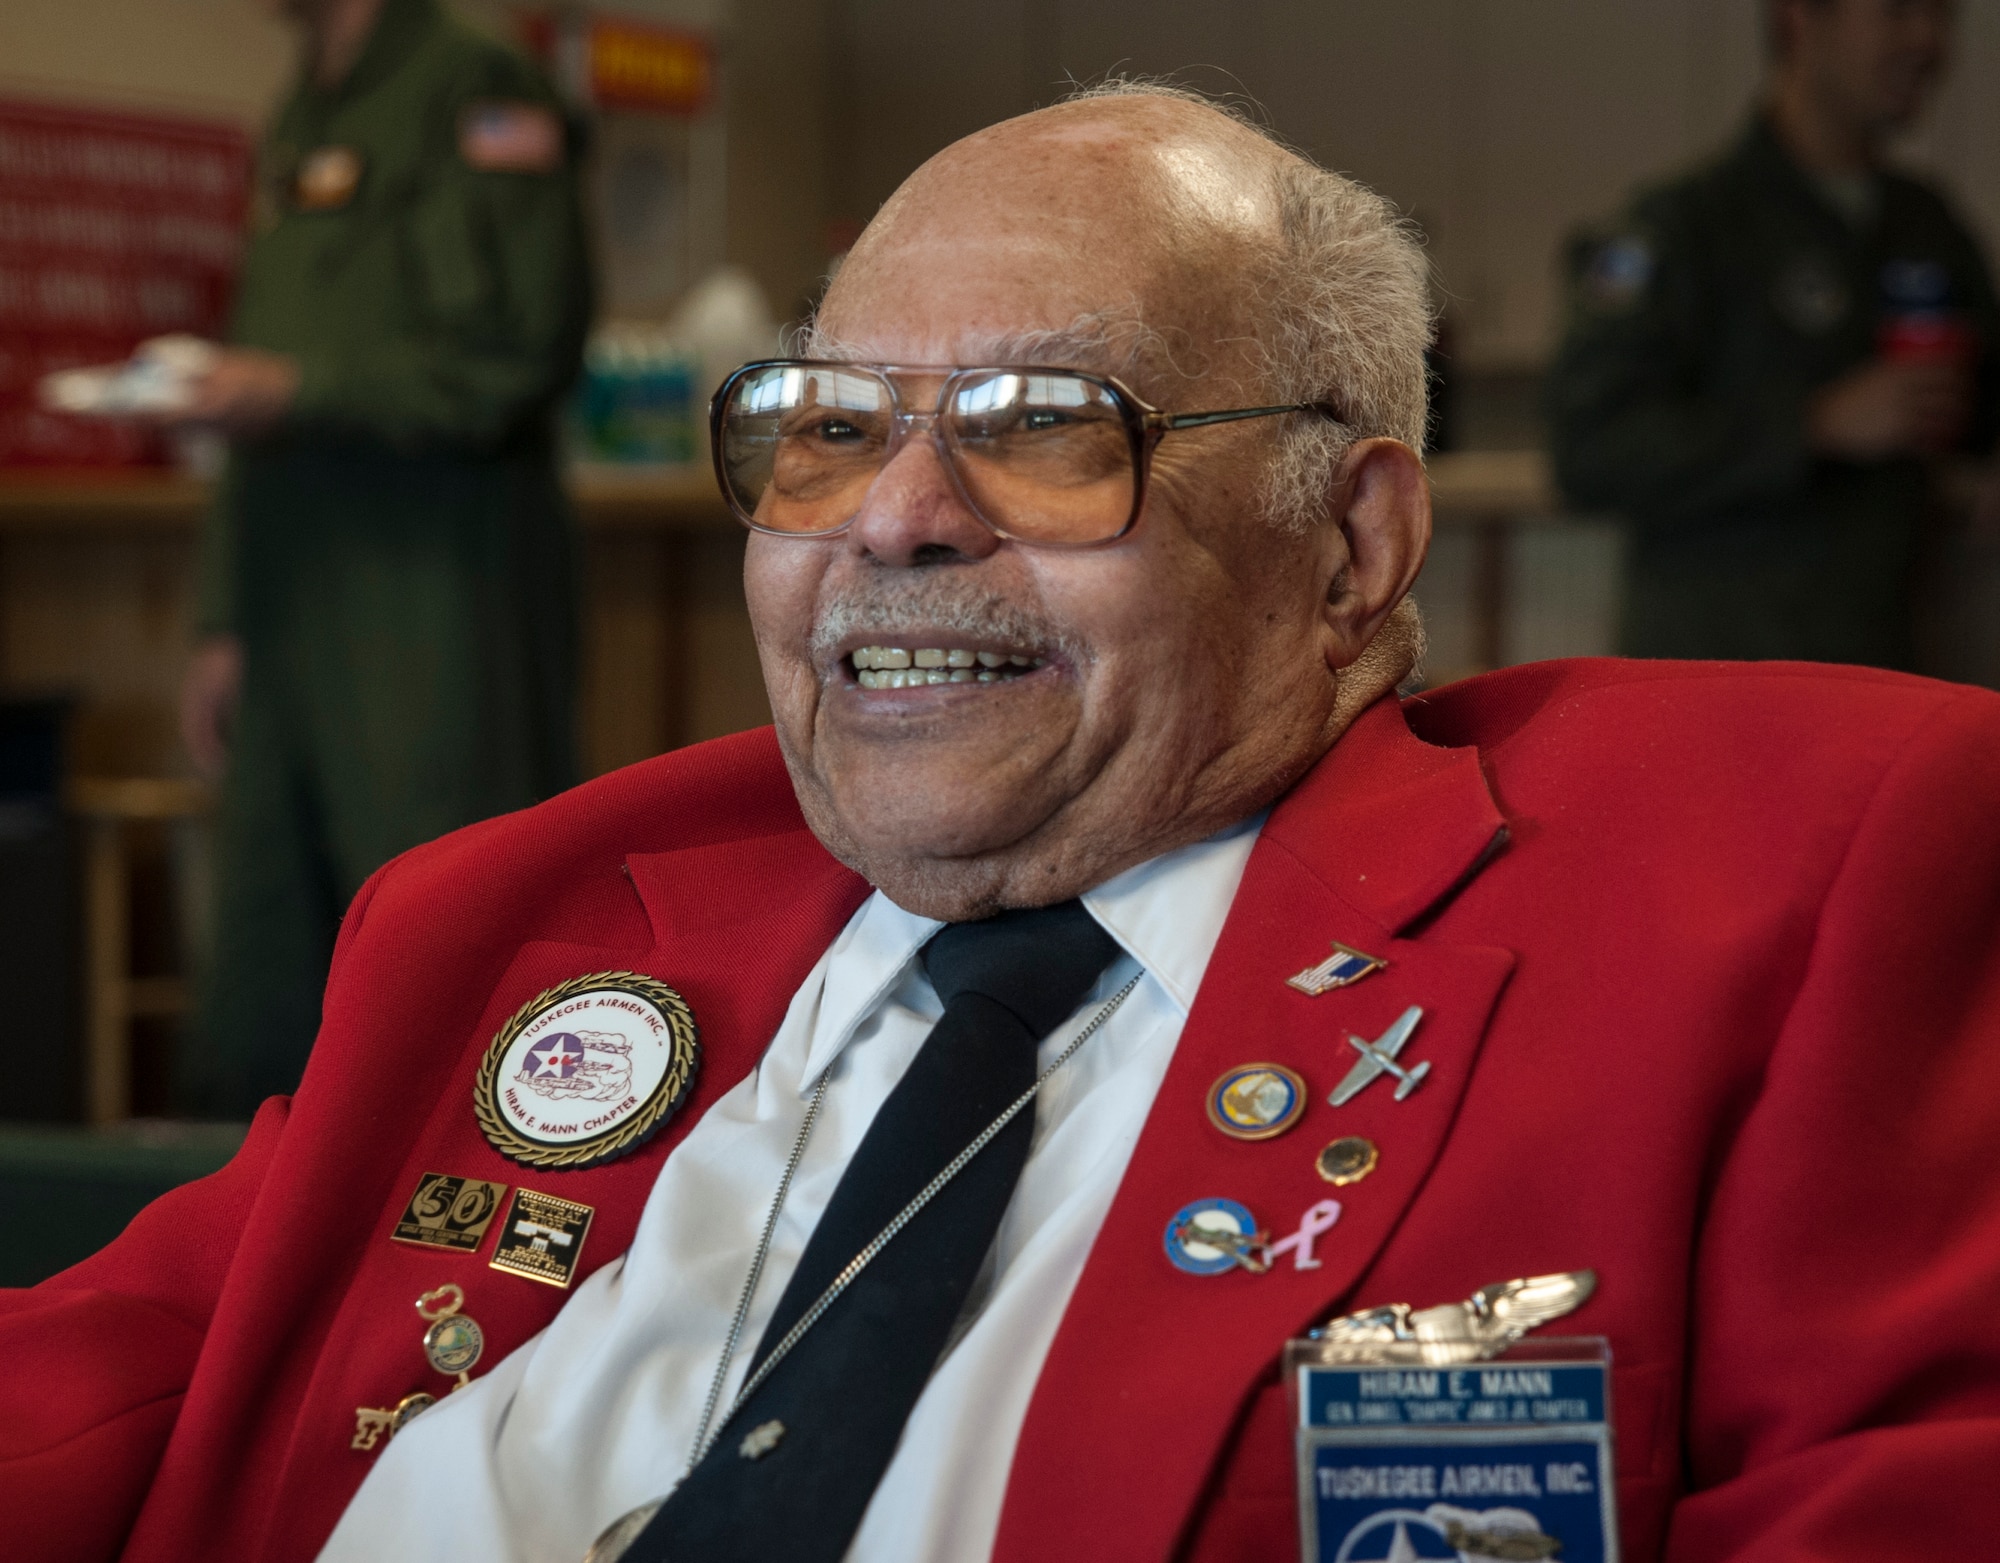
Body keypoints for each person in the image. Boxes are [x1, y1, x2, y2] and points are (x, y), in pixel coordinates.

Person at [8, 83, 2000, 1563]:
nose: (892, 515)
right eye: (830, 422)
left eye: (1047, 425)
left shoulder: (1773, 899)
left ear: (1350, 541)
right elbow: (107, 1381)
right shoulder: (515, 919)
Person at [166, 0, 591, 1115]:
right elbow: (256, 390)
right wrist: (224, 619)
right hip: (290, 595)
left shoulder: (481, 90)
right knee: (269, 963)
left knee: (439, 947)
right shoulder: (306, 102)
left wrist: (299, 390)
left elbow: (517, 351)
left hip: (431, 596)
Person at [1545, 0, 1999, 667]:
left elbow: (1984, 396)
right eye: (1899, 10)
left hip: (1882, 685)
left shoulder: (1926, 225)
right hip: (1716, 689)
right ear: (1798, 19)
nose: (1929, 40)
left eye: (1941, 15)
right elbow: (1588, 447)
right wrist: (1814, 424)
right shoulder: (1684, 227)